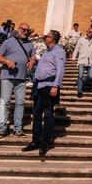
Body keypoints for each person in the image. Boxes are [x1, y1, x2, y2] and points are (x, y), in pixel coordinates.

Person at [22, 30, 66, 159]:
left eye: (46, 36)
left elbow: (60, 69)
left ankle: (45, 143)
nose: (44, 37)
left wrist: (55, 85)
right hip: (39, 85)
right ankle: (35, 141)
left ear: (52, 38)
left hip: (49, 85)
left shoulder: (59, 51)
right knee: (36, 113)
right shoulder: (47, 51)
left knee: (47, 114)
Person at [0, 23, 36, 138]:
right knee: (4, 102)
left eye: (27, 30)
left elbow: (33, 56)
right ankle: (2, 128)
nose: (26, 32)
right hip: (7, 77)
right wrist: (7, 62)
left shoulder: (30, 44)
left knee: (20, 103)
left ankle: (18, 128)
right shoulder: (8, 42)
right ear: (18, 29)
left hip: (21, 78)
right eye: (24, 30)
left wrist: (32, 62)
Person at [72, 27, 92, 98]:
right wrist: (74, 57)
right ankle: (79, 91)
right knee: (80, 76)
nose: (91, 34)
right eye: (90, 32)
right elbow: (77, 49)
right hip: (82, 60)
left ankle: (81, 84)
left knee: (90, 76)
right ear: (86, 32)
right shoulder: (81, 39)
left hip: (90, 61)